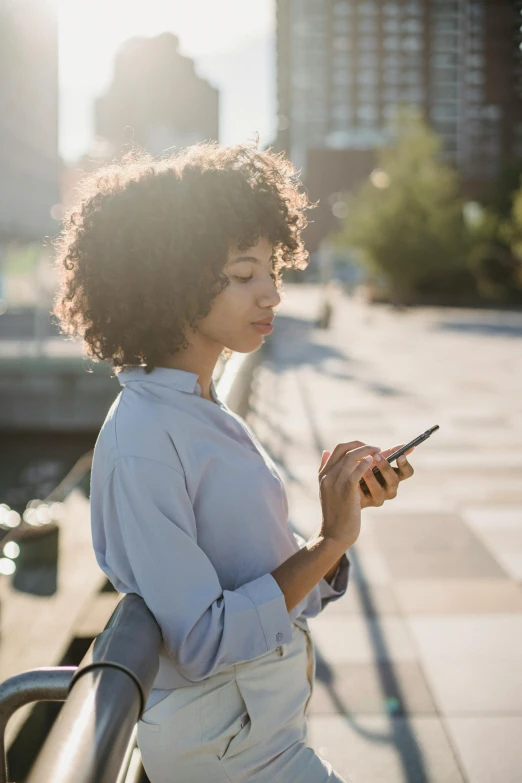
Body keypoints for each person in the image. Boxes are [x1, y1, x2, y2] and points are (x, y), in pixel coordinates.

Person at [52, 140, 414, 783]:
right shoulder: (147, 438)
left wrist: (342, 511)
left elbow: (253, 573)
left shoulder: (196, 405)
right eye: (245, 275)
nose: (273, 292)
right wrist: (330, 541)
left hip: (256, 733)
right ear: (172, 283)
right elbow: (204, 639)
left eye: (272, 269)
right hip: (230, 756)